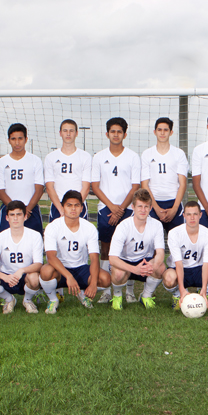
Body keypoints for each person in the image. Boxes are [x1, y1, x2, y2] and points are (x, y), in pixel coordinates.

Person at [91, 117, 141, 303]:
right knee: (106, 249)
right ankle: (105, 290)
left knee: (128, 250)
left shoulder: (133, 156)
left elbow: (135, 185)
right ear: (107, 134)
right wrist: (112, 207)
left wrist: (121, 209)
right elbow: (95, 186)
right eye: (112, 131)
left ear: (125, 134)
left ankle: (129, 290)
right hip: (106, 209)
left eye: (119, 131)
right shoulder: (99, 157)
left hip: (128, 209)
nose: (116, 134)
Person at [39, 190, 112, 313]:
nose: (73, 209)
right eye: (69, 205)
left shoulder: (89, 228)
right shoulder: (53, 227)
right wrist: (69, 276)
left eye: (76, 205)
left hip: (81, 268)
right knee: (45, 271)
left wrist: (93, 283)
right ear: (63, 207)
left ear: (82, 208)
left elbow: (94, 258)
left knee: (105, 279)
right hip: (61, 270)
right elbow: (51, 257)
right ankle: (53, 300)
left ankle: (82, 294)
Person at [107, 189, 166, 311]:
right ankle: (117, 296)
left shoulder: (156, 224)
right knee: (118, 273)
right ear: (133, 207)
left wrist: (152, 265)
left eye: (146, 207)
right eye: (140, 206)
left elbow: (160, 253)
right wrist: (134, 269)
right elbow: (112, 259)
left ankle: (146, 295)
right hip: (126, 261)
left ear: (150, 208)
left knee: (160, 268)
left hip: (145, 261)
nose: (143, 210)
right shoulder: (123, 226)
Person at [0, 200, 44, 315]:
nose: (15, 218)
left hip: (25, 276)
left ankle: (27, 300)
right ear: (7, 218)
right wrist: (4, 277)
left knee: (35, 278)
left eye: (19, 214)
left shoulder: (35, 236)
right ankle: (9, 299)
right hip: (6, 276)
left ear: (25, 216)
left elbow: (38, 264)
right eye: (12, 215)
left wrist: (21, 271)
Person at [162, 201, 208, 308]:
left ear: (200, 215)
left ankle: (203, 294)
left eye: (195, 214)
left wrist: (204, 288)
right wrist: (182, 289)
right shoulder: (174, 233)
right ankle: (177, 295)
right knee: (169, 278)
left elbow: (206, 264)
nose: (192, 218)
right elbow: (178, 263)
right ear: (184, 216)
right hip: (179, 269)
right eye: (189, 214)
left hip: (198, 269)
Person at [140, 117, 189, 235]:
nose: (162, 133)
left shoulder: (179, 154)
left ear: (171, 132)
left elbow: (182, 184)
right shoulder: (147, 154)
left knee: (177, 244)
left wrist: (175, 209)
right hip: (153, 203)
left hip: (174, 202)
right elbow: (145, 184)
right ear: (154, 132)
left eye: (166, 130)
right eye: (159, 130)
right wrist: (155, 208)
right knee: (151, 244)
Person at [0, 122, 45, 235]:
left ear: (26, 139)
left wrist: (26, 210)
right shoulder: (1, 162)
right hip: (9, 210)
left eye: (20, 138)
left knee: (34, 245)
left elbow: (39, 189)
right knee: (5, 246)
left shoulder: (35, 160)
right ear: (9, 140)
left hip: (30, 210)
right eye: (13, 139)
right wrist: (15, 210)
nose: (17, 142)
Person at [44, 119, 92, 222]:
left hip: (79, 207)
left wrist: (75, 206)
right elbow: (49, 187)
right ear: (60, 133)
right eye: (65, 131)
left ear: (76, 133)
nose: (68, 133)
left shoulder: (85, 156)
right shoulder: (50, 157)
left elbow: (86, 187)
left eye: (71, 131)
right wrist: (62, 209)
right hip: (58, 206)